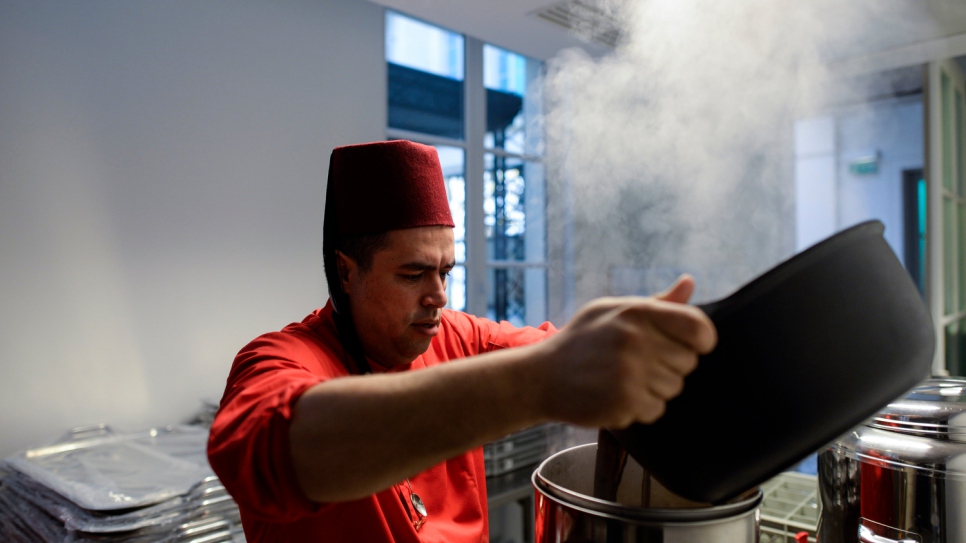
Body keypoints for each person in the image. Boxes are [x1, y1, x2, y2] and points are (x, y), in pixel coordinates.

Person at [207, 140, 717, 543]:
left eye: (446, 273)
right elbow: (270, 453)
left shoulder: (455, 336)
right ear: (345, 272)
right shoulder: (281, 357)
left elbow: (571, 353)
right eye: (413, 275)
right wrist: (538, 383)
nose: (438, 297)